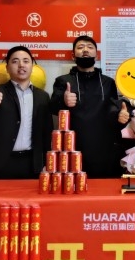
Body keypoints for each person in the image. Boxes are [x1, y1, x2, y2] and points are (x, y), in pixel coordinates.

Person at [49, 35, 130, 178]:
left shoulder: (108, 82)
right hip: (73, 148)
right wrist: (64, 100)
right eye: (80, 47)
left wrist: (122, 115)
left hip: (104, 149)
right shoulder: (63, 81)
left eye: (90, 47)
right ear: (73, 56)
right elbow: (53, 108)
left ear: (96, 55)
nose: (85, 50)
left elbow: (114, 110)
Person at [0, 46, 53, 179]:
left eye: (26, 61)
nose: (21, 65)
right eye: (15, 61)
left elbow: (47, 133)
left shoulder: (43, 96)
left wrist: (48, 162)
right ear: (7, 67)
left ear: (32, 66)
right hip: (2, 163)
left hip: (32, 163)